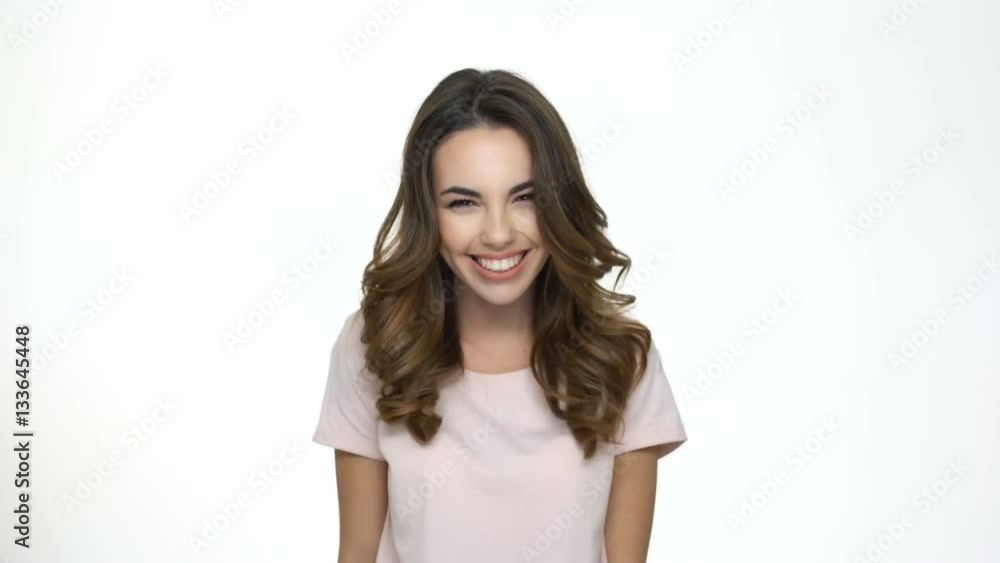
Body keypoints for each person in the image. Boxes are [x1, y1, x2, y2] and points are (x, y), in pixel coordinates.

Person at [312, 68, 687, 563]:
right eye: (464, 202)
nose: (497, 234)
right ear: (430, 213)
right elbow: (356, 552)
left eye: (525, 198)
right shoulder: (376, 344)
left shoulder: (619, 357)